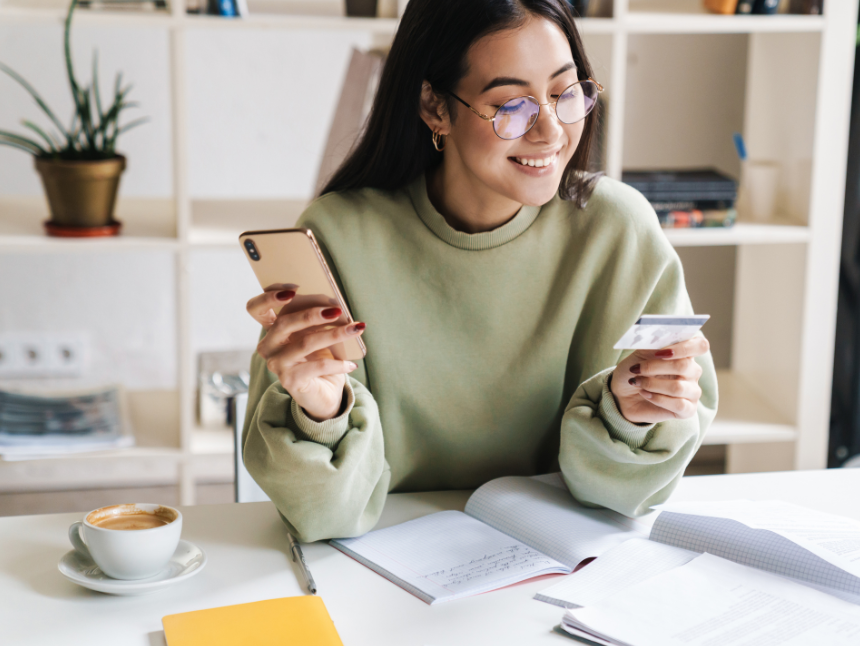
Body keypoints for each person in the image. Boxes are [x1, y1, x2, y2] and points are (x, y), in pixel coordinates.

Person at [242, 0, 718, 542]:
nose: (550, 133)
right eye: (512, 105)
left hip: (560, 564)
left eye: (565, 93)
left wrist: (633, 414)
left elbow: (624, 501)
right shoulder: (339, 236)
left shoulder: (618, 230)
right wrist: (322, 411)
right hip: (381, 567)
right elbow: (326, 517)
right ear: (434, 107)